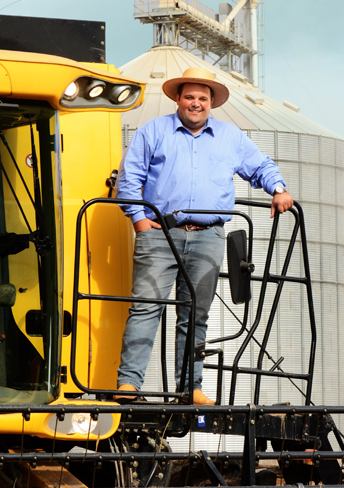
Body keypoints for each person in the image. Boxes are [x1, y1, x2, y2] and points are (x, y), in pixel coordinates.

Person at [115, 67, 293, 405]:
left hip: (209, 236)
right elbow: (129, 178)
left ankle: (190, 388)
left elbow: (261, 167)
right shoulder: (154, 130)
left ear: (211, 103)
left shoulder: (231, 137)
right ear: (177, 99)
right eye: (189, 97)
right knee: (146, 307)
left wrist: (279, 189)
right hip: (159, 234)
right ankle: (129, 384)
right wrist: (138, 219)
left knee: (196, 314)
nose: (195, 103)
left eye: (202, 98)